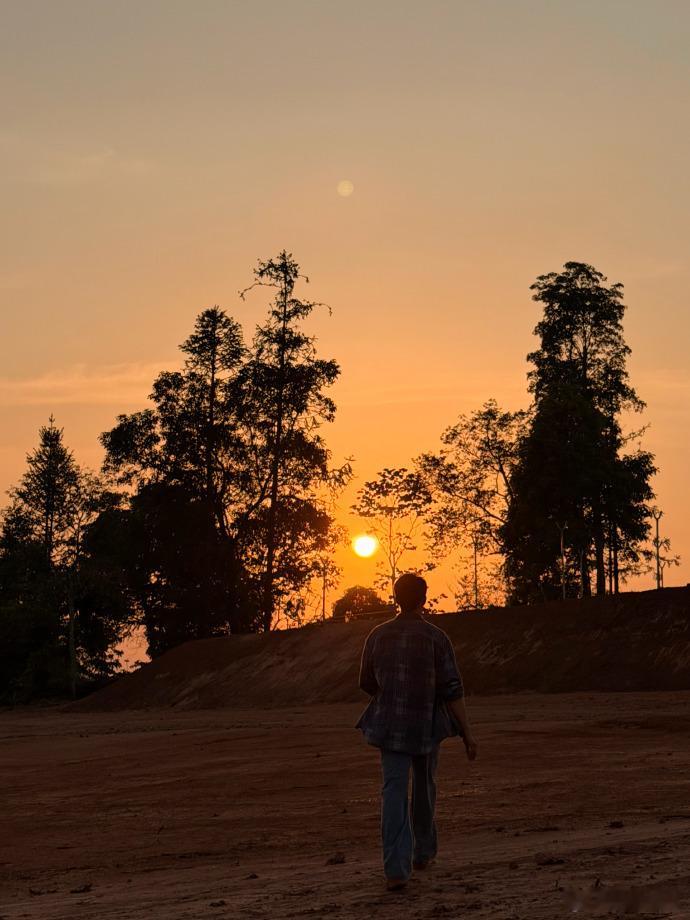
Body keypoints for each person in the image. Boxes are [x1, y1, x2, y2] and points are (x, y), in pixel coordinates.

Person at [356, 572, 477, 891]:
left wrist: (392, 696)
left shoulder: (377, 635)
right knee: (424, 788)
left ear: (395, 598)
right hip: (426, 726)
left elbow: (366, 682)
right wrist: (467, 733)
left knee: (393, 792)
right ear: (424, 599)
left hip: (390, 727)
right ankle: (422, 853)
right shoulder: (437, 638)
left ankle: (396, 869)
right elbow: (452, 690)